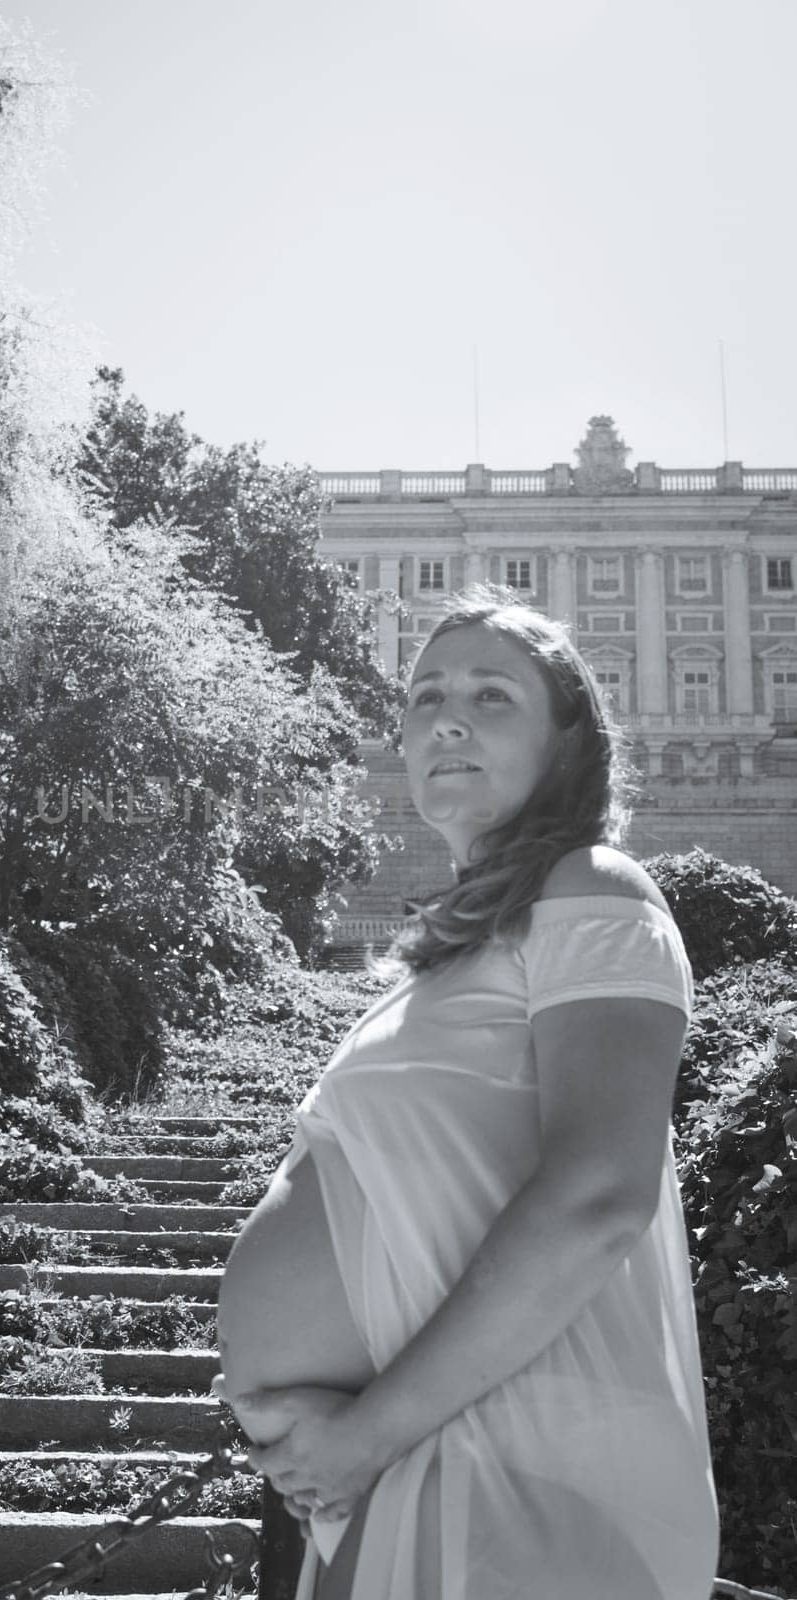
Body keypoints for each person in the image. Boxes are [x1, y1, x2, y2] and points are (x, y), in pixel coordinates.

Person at [213, 584, 719, 1600]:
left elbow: (595, 1198)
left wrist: (360, 1434)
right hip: (428, 1461)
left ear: (568, 742)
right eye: (424, 694)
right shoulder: (469, 945)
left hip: (509, 1472)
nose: (445, 714)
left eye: (492, 695)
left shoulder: (593, 889)